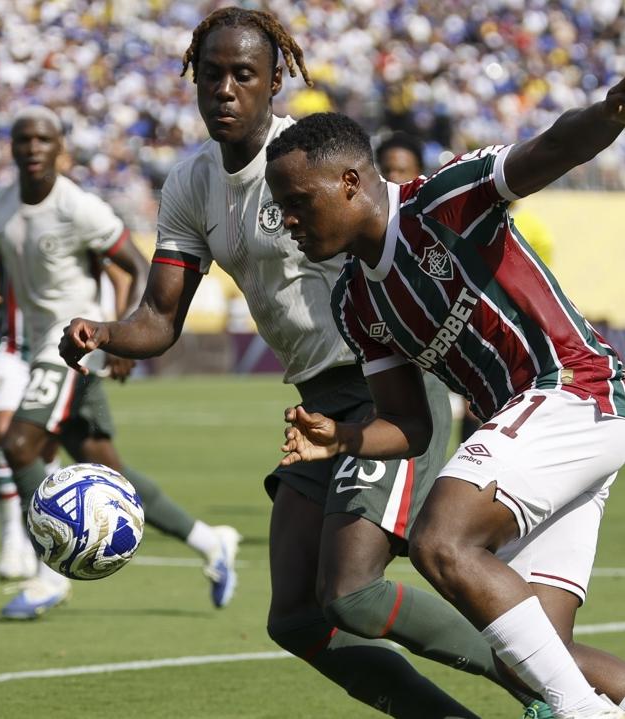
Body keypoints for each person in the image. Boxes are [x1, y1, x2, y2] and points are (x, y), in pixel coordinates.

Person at [60, 8, 544, 717]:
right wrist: (102, 331)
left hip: (388, 389)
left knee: (352, 590)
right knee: (295, 617)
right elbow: (160, 319)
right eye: (212, 74)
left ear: (274, 81)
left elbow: (395, 237)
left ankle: (548, 683)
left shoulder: (307, 162)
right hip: (318, 404)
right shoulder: (191, 183)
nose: (225, 89)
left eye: (243, 74)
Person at [265, 79, 625, 719]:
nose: (287, 221)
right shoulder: (356, 302)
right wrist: (343, 439)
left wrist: (613, 113)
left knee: (439, 542)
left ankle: (582, 715)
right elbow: (410, 425)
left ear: (349, 182)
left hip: (573, 389)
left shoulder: (442, 202)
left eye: (297, 202)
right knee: (535, 654)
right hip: (546, 429)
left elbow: (551, 149)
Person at [0, 106, 240, 620]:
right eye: (24, 139)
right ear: (12, 148)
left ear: (60, 148)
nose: (34, 148)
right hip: (34, 348)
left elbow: (134, 264)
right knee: (109, 468)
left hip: (71, 345)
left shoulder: (78, 207)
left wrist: (119, 335)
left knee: (18, 445)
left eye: (44, 139)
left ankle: (49, 575)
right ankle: (210, 540)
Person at [0, 263, 131, 581]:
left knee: (44, 448)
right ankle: (11, 540)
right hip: (9, 344)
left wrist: (118, 333)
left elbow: (122, 274)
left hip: (58, 346)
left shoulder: (75, 232)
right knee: (7, 438)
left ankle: (48, 540)